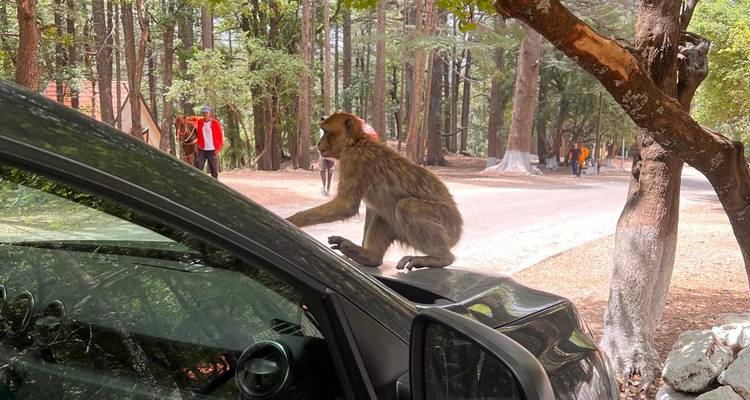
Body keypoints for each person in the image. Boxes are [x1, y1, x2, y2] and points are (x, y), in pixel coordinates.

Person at [195, 105, 223, 179]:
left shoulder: (215, 123)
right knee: (198, 165)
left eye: (206, 112)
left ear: (209, 113)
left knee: (213, 169)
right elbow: (198, 133)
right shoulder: (200, 122)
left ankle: (215, 183)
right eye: (204, 113)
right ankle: (199, 182)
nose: (205, 114)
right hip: (202, 149)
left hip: (212, 149)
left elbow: (220, 135)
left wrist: (219, 147)